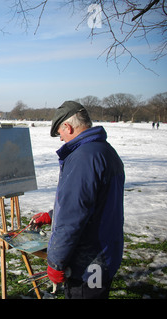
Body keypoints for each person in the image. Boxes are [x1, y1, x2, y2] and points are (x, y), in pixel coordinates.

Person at [30, 101, 125, 299]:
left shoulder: (83, 158)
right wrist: (51, 216)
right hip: (105, 253)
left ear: (68, 126)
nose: (60, 138)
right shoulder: (104, 150)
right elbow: (92, 203)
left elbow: (73, 216)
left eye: (59, 133)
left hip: (89, 261)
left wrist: (55, 262)